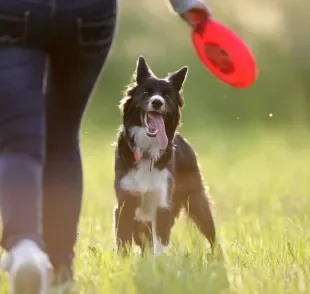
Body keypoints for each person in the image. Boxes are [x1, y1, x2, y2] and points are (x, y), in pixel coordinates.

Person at [0, 0, 211, 293]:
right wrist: (186, 4)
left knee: (17, 143)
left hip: (15, 10)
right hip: (88, 13)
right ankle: (60, 269)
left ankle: (24, 247)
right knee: (61, 138)